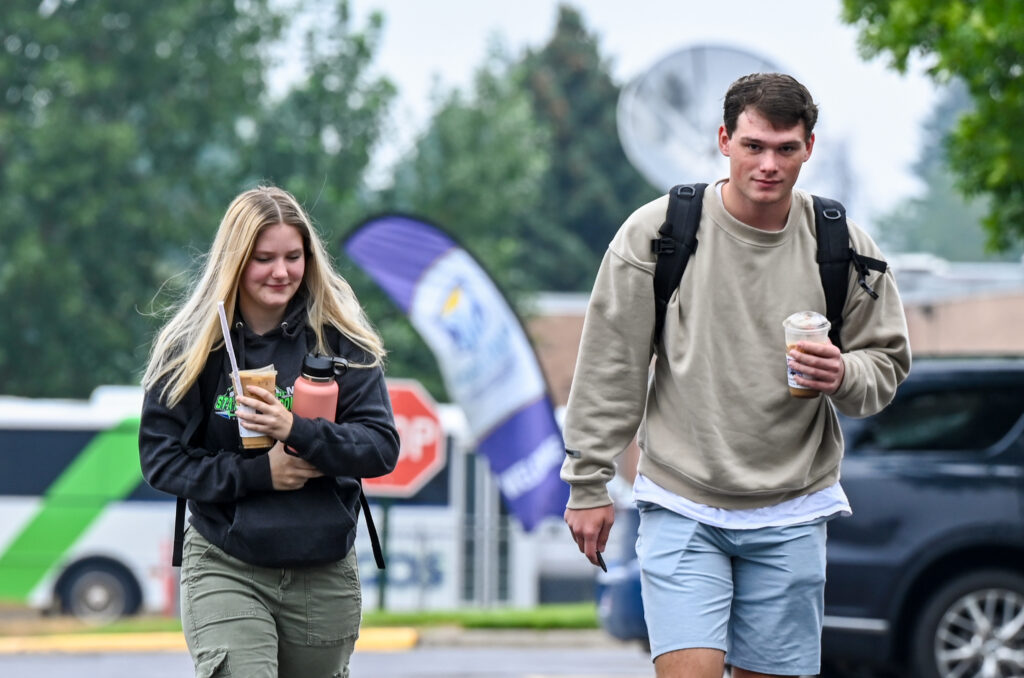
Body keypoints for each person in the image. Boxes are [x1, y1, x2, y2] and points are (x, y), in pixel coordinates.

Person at [561, 73, 911, 678]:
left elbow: (886, 365)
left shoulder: (842, 243)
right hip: (681, 498)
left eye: (785, 148)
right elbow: (609, 366)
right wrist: (587, 482)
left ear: (809, 148)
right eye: (754, 145)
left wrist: (843, 370)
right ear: (724, 140)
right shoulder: (659, 234)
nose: (769, 164)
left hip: (793, 508)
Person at [139, 185, 400, 678]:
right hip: (225, 559)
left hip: (322, 564)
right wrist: (262, 473)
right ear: (235, 260)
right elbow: (162, 461)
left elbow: (381, 448)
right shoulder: (190, 348)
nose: (281, 272)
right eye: (263, 258)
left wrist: (296, 430)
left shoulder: (340, 336)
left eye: (293, 257)